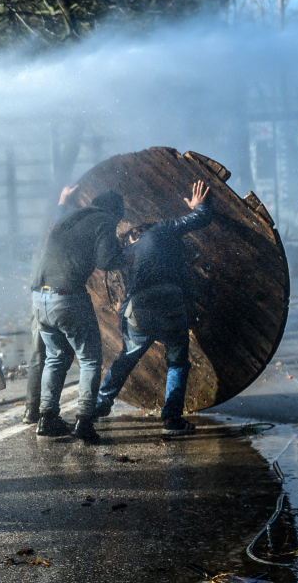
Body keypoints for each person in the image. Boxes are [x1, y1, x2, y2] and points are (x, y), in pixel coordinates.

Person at [94, 181, 212, 436]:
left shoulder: (127, 254)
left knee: (127, 357)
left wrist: (124, 326)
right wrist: (198, 206)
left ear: (134, 233)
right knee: (178, 362)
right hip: (170, 301)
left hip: (140, 308)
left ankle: (100, 405)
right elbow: (201, 218)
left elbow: (125, 297)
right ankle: (171, 420)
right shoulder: (162, 230)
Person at [31, 189, 127, 443]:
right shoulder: (105, 220)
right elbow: (106, 261)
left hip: (39, 297)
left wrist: (62, 199)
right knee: (90, 360)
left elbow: (59, 217)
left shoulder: (69, 216)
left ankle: (47, 418)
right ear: (115, 213)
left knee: (55, 356)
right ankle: (84, 421)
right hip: (68, 297)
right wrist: (129, 253)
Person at [23, 185, 80, 424]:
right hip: (52, 294)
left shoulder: (50, 234)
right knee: (57, 354)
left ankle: (32, 410)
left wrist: (62, 201)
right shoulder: (61, 231)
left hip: (39, 295)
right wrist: (63, 202)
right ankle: (45, 413)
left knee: (41, 353)